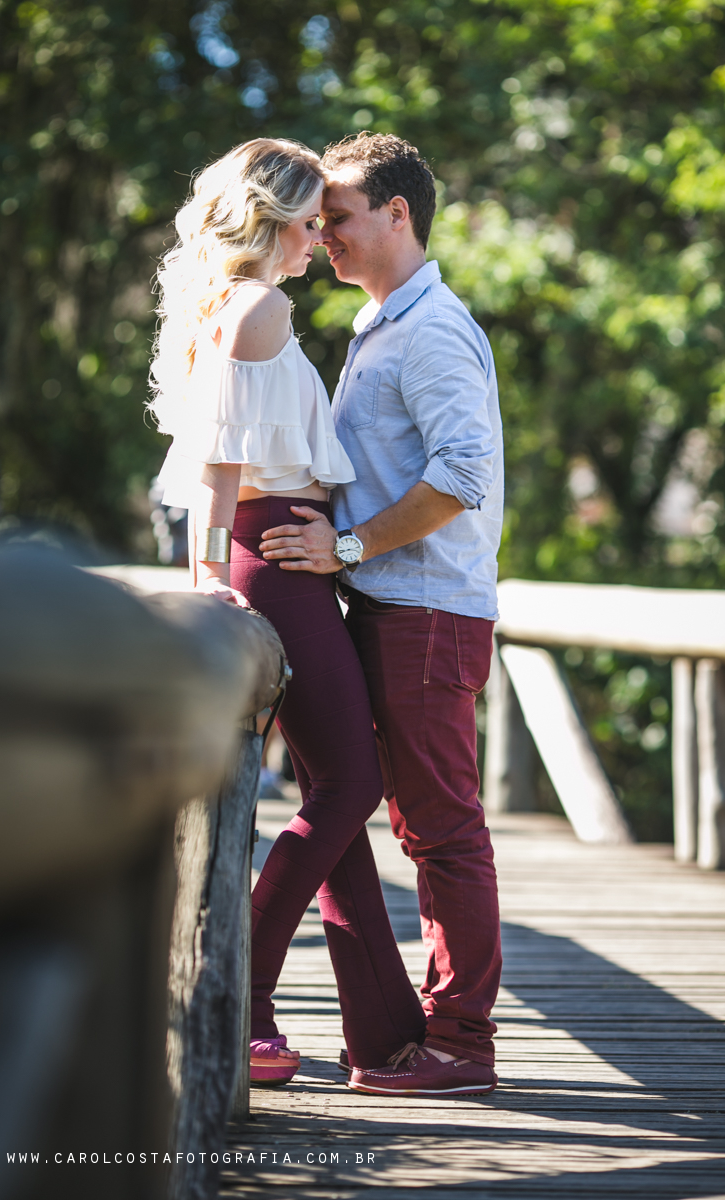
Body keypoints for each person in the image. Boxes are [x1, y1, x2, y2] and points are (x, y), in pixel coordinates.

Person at [150, 138, 426, 1085]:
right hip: (275, 557)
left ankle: (378, 1032)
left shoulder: (236, 305)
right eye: (311, 220)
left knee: (335, 793)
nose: (320, 239)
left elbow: (218, 450)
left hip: (275, 553)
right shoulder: (260, 306)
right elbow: (222, 452)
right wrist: (207, 573)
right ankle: (234, 997)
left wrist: (211, 561)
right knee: (353, 786)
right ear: (272, 221)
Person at [259, 133, 504, 1098]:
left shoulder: (432, 329)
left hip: (428, 612)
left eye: (339, 217)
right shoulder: (382, 326)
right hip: (387, 603)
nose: (322, 236)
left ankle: (461, 1047)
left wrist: (347, 549)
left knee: (443, 833)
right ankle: (408, 1034)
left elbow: (461, 477)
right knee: (406, 823)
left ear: (398, 214)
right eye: (316, 223)